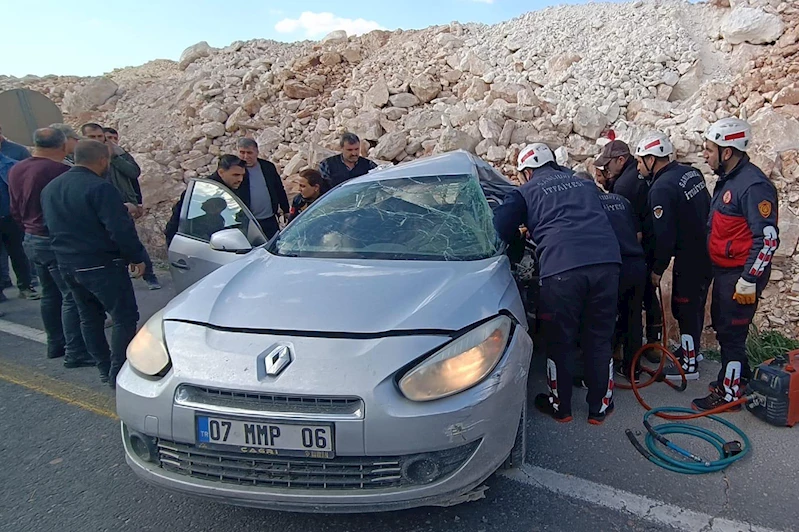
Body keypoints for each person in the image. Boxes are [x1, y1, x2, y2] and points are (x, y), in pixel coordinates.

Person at [493, 143, 621, 425]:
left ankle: (561, 408)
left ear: (527, 171)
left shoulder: (525, 191)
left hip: (561, 268)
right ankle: (599, 409)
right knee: (599, 337)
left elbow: (499, 226)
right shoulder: (583, 184)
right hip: (607, 264)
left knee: (560, 340)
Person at [41, 140, 147, 388]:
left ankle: (103, 368)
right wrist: (137, 256)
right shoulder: (101, 188)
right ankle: (118, 372)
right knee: (124, 317)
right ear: (102, 160)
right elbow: (119, 229)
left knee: (89, 317)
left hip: (66, 263)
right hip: (101, 264)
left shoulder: (51, 188)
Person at [693, 118, 780, 410]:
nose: (705, 155)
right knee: (724, 326)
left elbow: (767, 238)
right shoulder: (730, 180)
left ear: (727, 151)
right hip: (727, 271)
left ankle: (728, 395)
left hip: (741, 274)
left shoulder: (753, 186)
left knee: (731, 333)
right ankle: (738, 378)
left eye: (709, 149)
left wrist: (749, 279)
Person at [8, 128, 94, 366]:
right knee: (72, 296)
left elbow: (15, 207)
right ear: (63, 144)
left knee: (49, 293)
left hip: (31, 237)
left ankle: (55, 343)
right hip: (55, 240)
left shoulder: (18, 168)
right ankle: (76, 351)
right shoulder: (60, 171)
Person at [635, 132, 712, 382]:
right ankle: (693, 352)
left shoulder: (660, 188)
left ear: (651, 159)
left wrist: (658, 268)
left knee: (684, 307)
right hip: (706, 250)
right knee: (695, 305)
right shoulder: (691, 173)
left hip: (688, 257)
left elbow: (664, 236)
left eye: (640, 161)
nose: (638, 167)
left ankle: (688, 366)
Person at [577, 171, 647, 382]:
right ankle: (633, 369)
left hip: (613, 267)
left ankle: (597, 374)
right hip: (637, 264)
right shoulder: (620, 200)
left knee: (601, 319)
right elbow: (638, 235)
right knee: (633, 318)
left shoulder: (588, 207)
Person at [595, 139, 662, 354]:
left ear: (621, 160)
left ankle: (622, 352)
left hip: (630, 256)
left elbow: (628, 230)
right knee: (641, 304)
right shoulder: (634, 175)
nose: (606, 171)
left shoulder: (623, 187)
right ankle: (643, 354)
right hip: (643, 250)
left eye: (607, 166)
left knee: (627, 309)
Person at [80, 123, 161, 290]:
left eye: (99, 137)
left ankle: (149, 275)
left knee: (130, 239)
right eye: (91, 137)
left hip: (124, 204)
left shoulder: (119, 154)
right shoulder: (81, 157)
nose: (97, 140)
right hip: (96, 206)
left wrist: (114, 158)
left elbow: (134, 174)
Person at [164, 154, 248, 246]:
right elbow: (178, 220)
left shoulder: (234, 188)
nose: (240, 179)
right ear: (221, 172)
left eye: (242, 175)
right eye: (235, 175)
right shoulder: (204, 190)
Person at [236, 138, 289, 239]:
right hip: (246, 221)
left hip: (270, 219)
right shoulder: (235, 170)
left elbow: (279, 189)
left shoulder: (268, 167)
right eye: (242, 152)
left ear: (257, 152)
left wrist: (286, 209)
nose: (245, 157)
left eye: (249, 153)